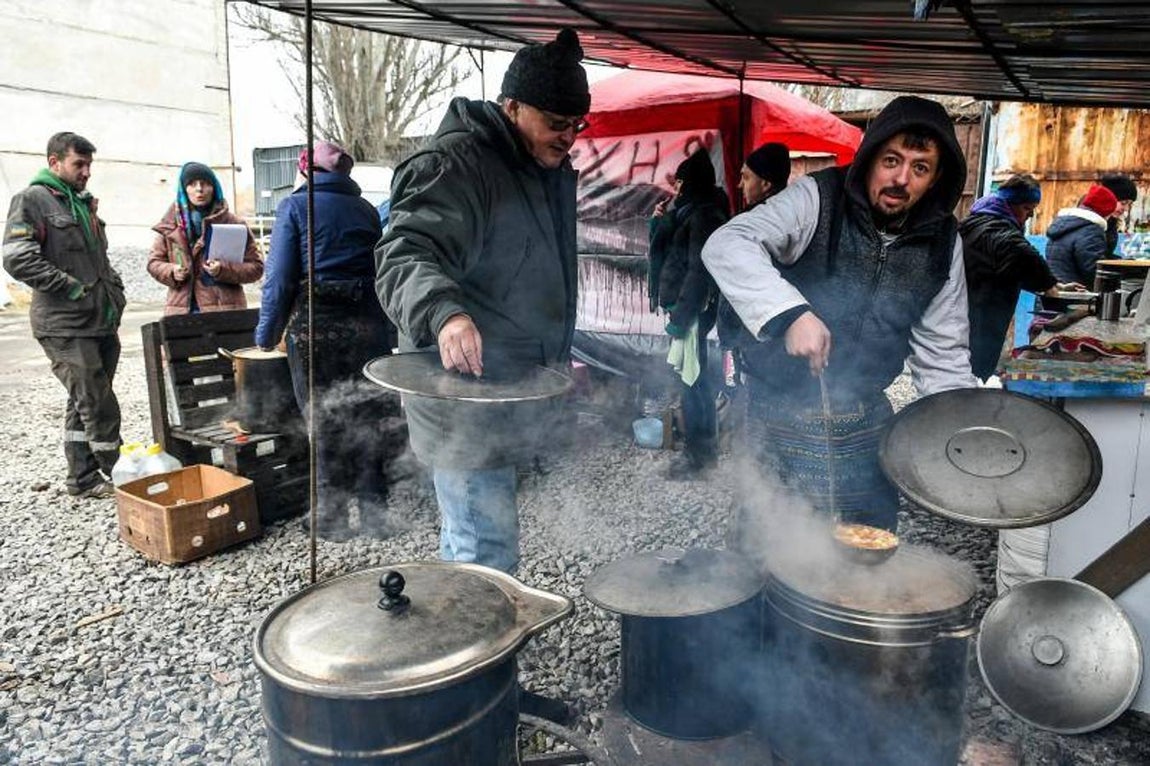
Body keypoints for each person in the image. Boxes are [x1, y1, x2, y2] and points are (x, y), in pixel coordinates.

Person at [376, 25, 589, 726]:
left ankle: (472, 681)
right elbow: (404, 250)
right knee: (478, 552)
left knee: (487, 544)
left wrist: (557, 353)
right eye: (557, 123)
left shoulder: (542, 166)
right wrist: (444, 314)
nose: (569, 136)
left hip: (509, 392)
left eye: (577, 124)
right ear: (511, 106)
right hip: (461, 396)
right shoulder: (455, 163)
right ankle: (473, 705)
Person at [702, 96, 978, 532]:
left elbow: (943, 354)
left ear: (936, 179)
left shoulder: (943, 244)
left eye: (920, 168)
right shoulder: (817, 199)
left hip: (864, 418)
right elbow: (727, 244)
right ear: (870, 158)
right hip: (775, 408)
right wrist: (790, 313)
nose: (901, 179)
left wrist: (959, 444)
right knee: (767, 542)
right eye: (892, 160)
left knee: (865, 546)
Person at [255, 141, 396, 540]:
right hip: (368, 326)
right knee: (368, 417)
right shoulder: (367, 210)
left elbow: (280, 278)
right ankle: (374, 516)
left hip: (317, 329)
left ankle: (332, 520)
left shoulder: (296, 207)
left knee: (324, 418)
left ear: (306, 171)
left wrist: (267, 334)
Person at [3, 132, 125, 499]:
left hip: (99, 321)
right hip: (66, 325)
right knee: (98, 402)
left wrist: (115, 290)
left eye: (89, 165)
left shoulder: (82, 203)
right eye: (79, 164)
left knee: (83, 400)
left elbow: (97, 260)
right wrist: (70, 287)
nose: (87, 172)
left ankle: (83, 478)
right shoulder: (32, 200)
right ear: (55, 162)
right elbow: (17, 257)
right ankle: (124, 473)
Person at [647, 148, 729, 476]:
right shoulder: (688, 211)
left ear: (689, 182)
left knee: (694, 381)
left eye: (680, 181)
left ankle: (701, 458)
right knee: (690, 379)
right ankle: (700, 451)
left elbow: (698, 271)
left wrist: (681, 318)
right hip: (685, 308)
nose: (675, 188)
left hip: (693, 311)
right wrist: (658, 221)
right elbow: (669, 251)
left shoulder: (705, 215)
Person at [960, 174, 1083, 381]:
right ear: (1010, 204)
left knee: (969, 371)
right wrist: (1048, 285)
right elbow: (1021, 252)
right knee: (972, 371)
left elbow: (1007, 267)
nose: (1029, 215)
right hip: (981, 314)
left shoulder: (979, 220)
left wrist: (1055, 285)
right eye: (1027, 209)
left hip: (975, 309)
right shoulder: (994, 226)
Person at [146, 162, 263, 315]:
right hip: (181, 314)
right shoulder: (170, 225)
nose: (199, 189)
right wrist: (171, 271)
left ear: (214, 188)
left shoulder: (234, 224)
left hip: (224, 313)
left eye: (205, 183)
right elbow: (154, 263)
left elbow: (256, 267)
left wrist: (222, 269)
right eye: (192, 184)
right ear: (184, 189)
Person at [1045, 183, 1118, 288]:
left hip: (1053, 292)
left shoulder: (1063, 225)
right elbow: (1093, 270)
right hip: (1074, 295)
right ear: (1105, 212)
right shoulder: (1091, 230)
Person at [738, 142, 792, 210]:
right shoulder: (793, 210)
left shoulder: (752, 219)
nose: (740, 185)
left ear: (766, 185)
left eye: (746, 177)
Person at [1098, 173, 1139, 256]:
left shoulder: (1111, 221)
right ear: (1108, 198)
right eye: (1123, 203)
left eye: (1129, 205)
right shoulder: (1090, 222)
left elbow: (1105, 255)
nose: (1126, 209)